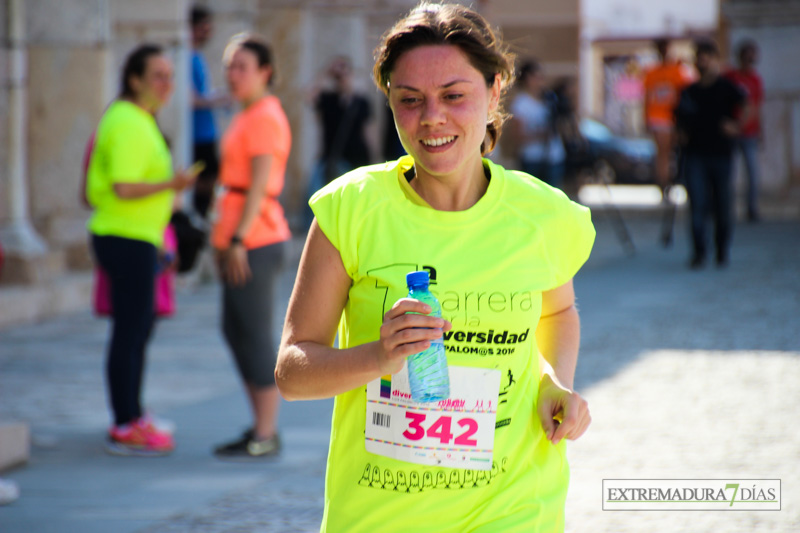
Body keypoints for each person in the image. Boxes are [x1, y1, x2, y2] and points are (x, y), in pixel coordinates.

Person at [276, 3, 595, 531]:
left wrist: (554, 383)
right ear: (390, 103)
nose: (432, 117)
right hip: (382, 514)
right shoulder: (350, 209)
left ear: (494, 92)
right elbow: (291, 372)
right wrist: (380, 355)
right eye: (410, 100)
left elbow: (558, 312)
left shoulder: (542, 215)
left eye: (454, 95)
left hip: (515, 505)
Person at [86, 44, 198, 456]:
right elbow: (123, 186)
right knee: (129, 332)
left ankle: (133, 414)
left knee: (138, 330)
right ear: (134, 79)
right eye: (158, 76)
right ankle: (123, 423)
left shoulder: (138, 118)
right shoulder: (129, 120)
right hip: (124, 236)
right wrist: (173, 185)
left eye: (170, 76)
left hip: (137, 237)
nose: (167, 84)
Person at [210, 34, 292, 460]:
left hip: (256, 239)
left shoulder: (264, 115)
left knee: (255, 335)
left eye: (242, 66)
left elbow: (259, 183)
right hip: (239, 238)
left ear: (266, 72)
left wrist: (238, 239)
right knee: (235, 330)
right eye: (229, 65)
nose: (233, 74)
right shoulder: (245, 113)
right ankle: (259, 426)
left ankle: (266, 431)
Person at [675, 39, 747, 269]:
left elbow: (747, 105)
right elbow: (678, 120)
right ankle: (699, 252)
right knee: (698, 205)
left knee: (723, 205)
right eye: (700, 58)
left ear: (715, 60)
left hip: (721, 154)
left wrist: (737, 126)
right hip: (695, 155)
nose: (703, 62)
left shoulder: (727, 88)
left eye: (707, 57)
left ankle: (722, 250)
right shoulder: (689, 92)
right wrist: (680, 136)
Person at [190, 5, 229, 220]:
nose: (208, 31)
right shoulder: (186, 56)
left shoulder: (197, 55)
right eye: (203, 26)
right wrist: (216, 99)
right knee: (203, 184)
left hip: (206, 132)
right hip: (197, 135)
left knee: (210, 181)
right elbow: (191, 98)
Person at [643, 39, 694, 198]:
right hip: (659, 117)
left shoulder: (679, 71)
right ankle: (664, 185)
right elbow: (647, 97)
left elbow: (688, 92)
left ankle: (673, 182)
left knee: (672, 154)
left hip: (675, 117)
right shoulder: (652, 72)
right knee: (664, 154)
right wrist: (646, 118)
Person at [509, 59, 566, 189]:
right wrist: (540, 135)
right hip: (532, 159)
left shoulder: (550, 99)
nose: (541, 81)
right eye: (537, 77)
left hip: (554, 157)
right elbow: (517, 136)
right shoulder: (521, 103)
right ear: (528, 78)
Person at [724, 39, 764, 222]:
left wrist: (760, 131)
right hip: (732, 132)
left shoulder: (755, 80)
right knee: (729, 173)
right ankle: (726, 207)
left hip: (750, 132)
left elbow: (757, 107)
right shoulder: (730, 78)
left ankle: (752, 208)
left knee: (753, 172)